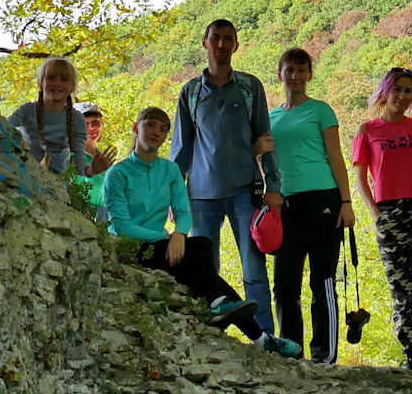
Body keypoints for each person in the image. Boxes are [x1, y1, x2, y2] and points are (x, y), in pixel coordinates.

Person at [106, 108, 302, 357]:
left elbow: (183, 211)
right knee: (201, 259)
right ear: (137, 128)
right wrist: (167, 237)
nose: (156, 132)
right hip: (131, 248)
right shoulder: (118, 173)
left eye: (163, 128)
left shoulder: (169, 170)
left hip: (163, 247)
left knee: (200, 246)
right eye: (151, 125)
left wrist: (179, 233)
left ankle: (233, 315)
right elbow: (122, 226)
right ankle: (259, 336)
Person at [173, 19, 281, 324]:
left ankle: (266, 338)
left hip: (245, 192)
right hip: (200, 196)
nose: (221, 44)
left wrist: (273, 187)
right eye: (215, 38)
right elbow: (181, 148)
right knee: (205, 272)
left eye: (227, 39)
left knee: (254, 271)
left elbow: (266, 140)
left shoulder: (249, 87)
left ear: (236, 45)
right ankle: (207, 336)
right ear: (205, 43)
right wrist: (173, 195)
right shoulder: (191, 92)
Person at [351, 68, 412, 373]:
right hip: (390, 213)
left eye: (408, 91)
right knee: (400, 287)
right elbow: (360, 179)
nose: (403, 96)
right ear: (385, 91)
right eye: (398, 90)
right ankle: (410, 354)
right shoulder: (367, 131)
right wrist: (377, 215)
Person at [268, 48, 354, 363]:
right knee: (285, 284)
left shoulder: (321, 111)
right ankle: (291, 350)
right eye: (289, 70)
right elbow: (265, 160)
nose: (295, 76)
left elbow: (335, 155)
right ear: (280, 74)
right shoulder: (270, 117)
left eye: (302, 70)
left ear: (309, 75)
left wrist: (346, 201)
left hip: (323, 200)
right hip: (285, 205)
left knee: (323, 281)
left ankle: (325, 355)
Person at [8, 57, 92, 178]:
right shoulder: (27, 110)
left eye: (64, 79)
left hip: (58, 187)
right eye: (51, 77)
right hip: (24, 178)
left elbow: (79, 162)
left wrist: (92, 170)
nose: (57, 83)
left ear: (72, 86)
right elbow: (2, 128)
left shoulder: (77, 119)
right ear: (40, 83)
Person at [78, 103, 116, 223]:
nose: (91, 127)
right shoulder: (70, 155)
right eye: (84, 124)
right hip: (85, 216)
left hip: (109, 217)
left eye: (95, 122)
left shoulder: (103, 157)